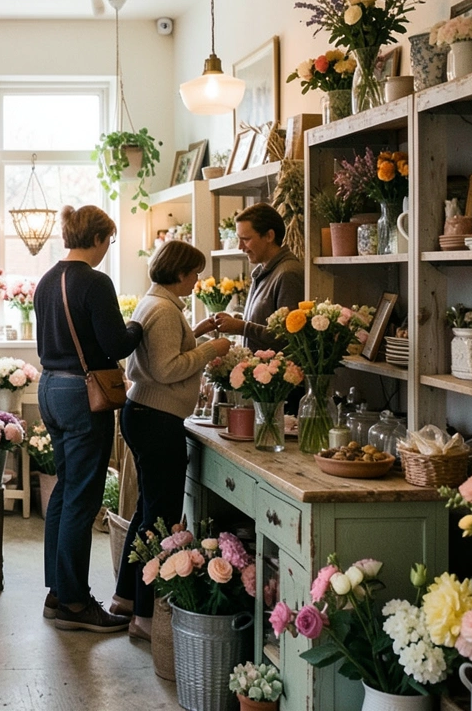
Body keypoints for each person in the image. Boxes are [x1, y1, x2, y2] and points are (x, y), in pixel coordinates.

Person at [113, 240, 231, 641]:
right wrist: (210, 350)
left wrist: (194, 336)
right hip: (156, 418)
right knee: (159, 519)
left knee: (148, 510)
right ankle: (145, 617)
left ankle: (126, 597)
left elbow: (154, 355)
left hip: (144, 413)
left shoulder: (155, 303)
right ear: (179, 273)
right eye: (194, 272)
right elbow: (165, 368)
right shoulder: (164, 311)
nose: (197, 280)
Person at [34, 205, 143, 633]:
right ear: (97, 238)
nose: (106, 250)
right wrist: (138, 326)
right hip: (83, 392)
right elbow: (116, 343)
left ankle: (58, 591)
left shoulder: (46, 280)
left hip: (49, 387)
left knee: (65, 490)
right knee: (82, 495)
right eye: (108, 241)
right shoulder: (95, 283)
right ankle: (76, 604)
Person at [212, 203, 304, 352]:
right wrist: (237, 321)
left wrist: (242, 327)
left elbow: (289, 337)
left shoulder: (288, 274)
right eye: (239, 239)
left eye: (246, 239)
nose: (240, 247)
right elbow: (267, 323)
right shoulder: (264, 271)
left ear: (269, 236)